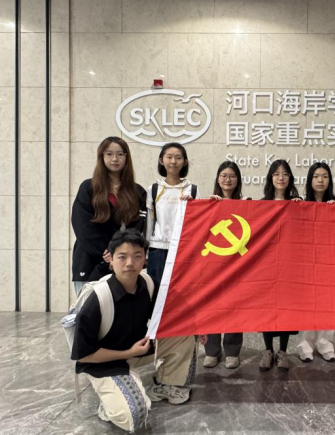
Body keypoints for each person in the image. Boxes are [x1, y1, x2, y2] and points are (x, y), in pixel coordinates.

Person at [71, 229, 201, 433]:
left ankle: (166, 384)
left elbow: (171, 315)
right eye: (122, 257)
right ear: (111, 260)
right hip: (103, 362)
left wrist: (197, 327)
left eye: (137, 256)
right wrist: (128, 353)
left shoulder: (147, 284)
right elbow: (84, 355)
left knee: (185, 334)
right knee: (135, 413)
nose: (130, 263)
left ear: (144, 260)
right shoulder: (97, 299)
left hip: (137, 350)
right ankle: (110, 403)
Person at [71, 137, 146, 295]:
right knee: (88, 307)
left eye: (120, 154)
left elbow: (137, 229)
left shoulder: (137, 192)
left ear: (126, 157)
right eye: (109, 154)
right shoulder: (88, 188)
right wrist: (107, 252)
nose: (115, 159)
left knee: (121, 308)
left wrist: (118, 254)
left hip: (123, 263)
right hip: (90, 261)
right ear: (102, 157)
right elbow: (82, 226)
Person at [259, 159, 301, 372]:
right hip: (266, 264)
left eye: (285, 174)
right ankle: (268, 350)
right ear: (271, 178)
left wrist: (301, 208)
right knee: (267, 309)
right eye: (276, 174)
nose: (281, 178)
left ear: (290, 178)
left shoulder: (297, 204)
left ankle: (282, 351)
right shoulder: (262, 204)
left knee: (286, 308)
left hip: (290, 265)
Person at [203, 161, 245, 370]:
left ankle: (232, 351)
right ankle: (212, 351)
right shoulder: (208, 204)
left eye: (232, 176)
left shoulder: (246, 204)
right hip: (213, 265)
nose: (228, 180)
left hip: (238, 266)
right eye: (224, 175)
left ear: (238, 180)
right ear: (218, 179)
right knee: (212, 307)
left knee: (234, 308)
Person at [296, 162, 335, 363]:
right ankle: (305, 346)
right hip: (306, 261)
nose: (320, 180)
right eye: (316, 176)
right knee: (307, 306)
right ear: (310, 180)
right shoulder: (301, 204)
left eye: (324, 176)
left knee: (328, 305)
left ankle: (326, 344)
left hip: (329, 261)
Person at [146, 142, 199, 284]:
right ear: (161, 160)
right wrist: (146, 252)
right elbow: (150, 222)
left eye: (178, 158)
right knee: (157, 290)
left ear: (185, 162)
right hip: (158, 248)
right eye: (169, 157)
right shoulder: (154, 189)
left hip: (184, 249)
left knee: (183, 289)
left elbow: (198, 222)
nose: (173, 162)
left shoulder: (192, 190)